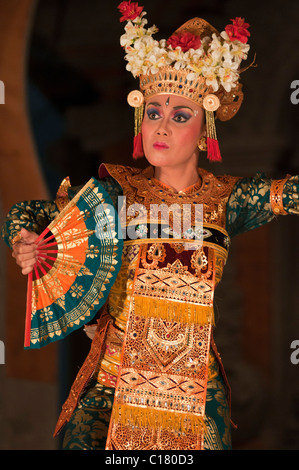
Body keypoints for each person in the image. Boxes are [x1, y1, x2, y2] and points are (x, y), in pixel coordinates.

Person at [1, 2, 299, 450]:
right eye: (154, 111)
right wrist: (25, 242)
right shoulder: (116, 196)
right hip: (110, 391)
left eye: (180, 115)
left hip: (194, 399)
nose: (161, 126)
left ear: (204, 128)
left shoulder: (228, 199)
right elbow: (25, 212)